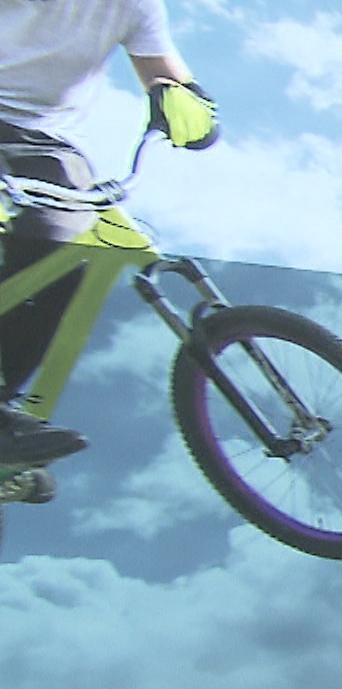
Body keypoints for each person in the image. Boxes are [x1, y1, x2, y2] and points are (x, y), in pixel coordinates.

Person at [1, 0, 218, 466]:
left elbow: (164, 73)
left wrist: (189, 107)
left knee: (68, 250)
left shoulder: (134, 5)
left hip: (43, 141)